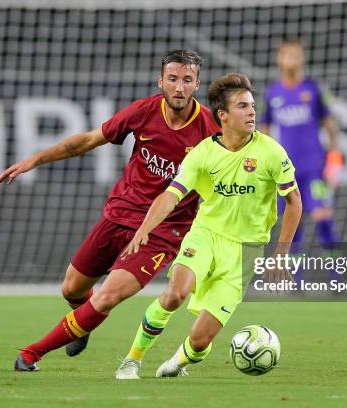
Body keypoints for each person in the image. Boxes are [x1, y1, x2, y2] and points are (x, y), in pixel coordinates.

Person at [0, 49, 220, 371]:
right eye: (172, 79)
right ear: (161, 81)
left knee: (107, 296)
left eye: (187, 80)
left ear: (197, 84)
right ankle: (82, 324)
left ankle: (32, 353)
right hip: (118, 215)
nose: (179, 87)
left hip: (162, 231)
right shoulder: (143, 111)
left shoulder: (210, 131)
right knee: (72, 289)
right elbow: (87, 140)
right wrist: (36, 159)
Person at [114, 73, 302, 379]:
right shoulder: (203, 153)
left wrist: (281, 252)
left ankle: (178, 363)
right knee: (176, 293)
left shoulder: (271, 152)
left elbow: (294, 202)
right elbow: (171, 194)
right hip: (206, 235)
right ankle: (132, 360)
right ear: (223, 116)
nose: (252, 111)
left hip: (245, 251)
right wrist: (144, 228)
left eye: (252, 105)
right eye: (242, 106)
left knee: (200, 340)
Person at [260, 38, 343, 283]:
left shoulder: (313, 89)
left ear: (302, 58)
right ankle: (296, 280)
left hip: (315, 169)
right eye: (287, 54)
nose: (291, 60)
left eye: (296, 55)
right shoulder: (273, 93)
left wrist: (335, 160)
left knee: (323, 219)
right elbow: (264, 130)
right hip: (287, 173)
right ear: (279, 59)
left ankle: (338, 277)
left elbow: (330, 125)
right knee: (293, 226)